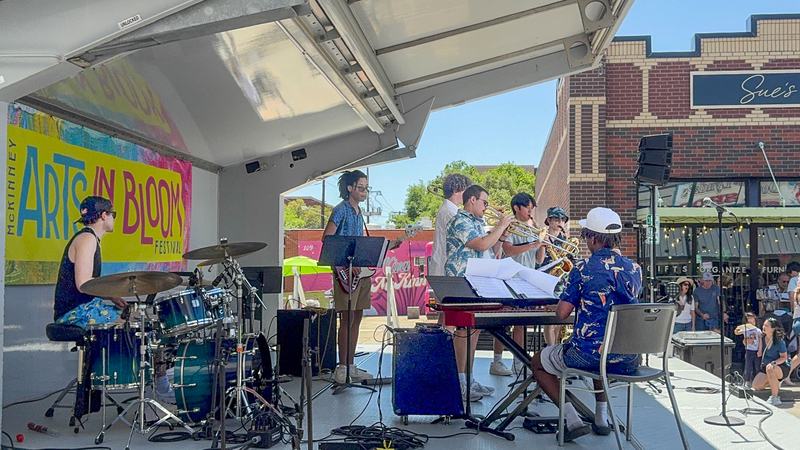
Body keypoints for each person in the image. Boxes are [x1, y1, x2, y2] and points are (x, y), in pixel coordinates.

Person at [530, 207, 642, 442]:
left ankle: (573, 420)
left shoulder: (582, 268)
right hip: (628, 357)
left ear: (592, 238)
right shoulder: (635, 269)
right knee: (602, 348)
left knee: (538, 361)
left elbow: (562, 313)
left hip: (590, 356)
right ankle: (601, 419)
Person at [445, 184, 512, 401]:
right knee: (463, 333)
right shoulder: (460, 220)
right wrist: (500, 226)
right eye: (485, 202)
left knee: (473, 334)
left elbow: (491, 251)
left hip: (477, 283)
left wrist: (500, 236)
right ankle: (459, 381)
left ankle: (470, 379)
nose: (487, 207)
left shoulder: (477, 222)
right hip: (461, 283)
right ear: (472, 200)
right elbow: (481, 245)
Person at [323, 170, 375, 385]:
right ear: (350, 188)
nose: (364, 192)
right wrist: (343, 264)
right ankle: (342, 368)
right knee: (346, 318)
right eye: (361, 188)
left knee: (357, 317)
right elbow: (328, 239)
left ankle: (351, 365)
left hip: (359, 272)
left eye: (366, 188)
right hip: (345, 272)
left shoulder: (359, 213)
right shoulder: (341, 210)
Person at [54, 196, 128, 327]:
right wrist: (111, 292)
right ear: (104, 215)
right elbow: (83, 283)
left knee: (132, 317)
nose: (113, 219)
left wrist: (111, 296)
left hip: (85, 307)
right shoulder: (87, 239)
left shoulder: (89, 237)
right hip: (75, 312)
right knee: (131, 323)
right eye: (113, 214)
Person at [499, 192, 542, 376]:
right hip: (511, 279)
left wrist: (542, 245)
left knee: (522, 324)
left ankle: (519, 362)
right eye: (528, 208)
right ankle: (498, 361)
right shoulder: (510, 227)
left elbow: (539, 261)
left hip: (527, 279)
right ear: (517, 208)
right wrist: (532, 245)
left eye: (532, 209)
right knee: (502, 323)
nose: (530, 212)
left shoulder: (534, 228)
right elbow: (507, 250)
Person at [536, 206, 572, 347]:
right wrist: (543, 245)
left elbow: (571, 264)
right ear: (549, 220)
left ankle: (557, 348)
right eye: (556, 219)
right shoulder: (542, 237)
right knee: (549, 321)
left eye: (563, 219)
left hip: (561, 282)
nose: (560, 222)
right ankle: (550, 350)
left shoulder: (566, 241)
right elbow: (538, 261)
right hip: (545, 281)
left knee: (559, 321)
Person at [429, 174, 472, 277]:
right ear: (455, 190)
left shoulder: (451, 210)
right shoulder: (450, 212)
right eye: (466, 191)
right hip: (445, 269)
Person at [752, 317, 790, 405]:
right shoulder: (762, 338)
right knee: (756, 386)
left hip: (780, 366)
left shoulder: (779, 341)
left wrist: (774, 363)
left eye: (766, 325)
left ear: (773, 329)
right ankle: (775, 382)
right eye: (763, 325)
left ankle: (775, 397)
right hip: (766, 366)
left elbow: (784, 357)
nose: (763, 327)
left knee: (771, 369)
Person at [734, 312, 762, 388]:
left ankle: (757, 380)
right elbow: (736, 332)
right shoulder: (746, 330)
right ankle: (747, 381)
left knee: (757, 366)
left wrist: (760, 350)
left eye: (753, 321)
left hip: (756, 350)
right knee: (748, 366)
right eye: (749, 322)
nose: (752, 324)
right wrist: (739, 328)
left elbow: (760, 340)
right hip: (749, 350)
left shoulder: (758, 330)